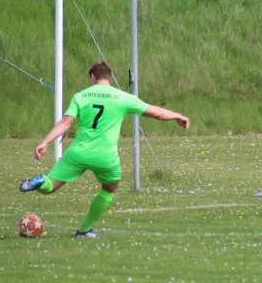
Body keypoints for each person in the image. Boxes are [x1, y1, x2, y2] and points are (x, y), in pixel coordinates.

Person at [20, 60, 189, 238]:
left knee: (51, 186)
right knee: (109, 189)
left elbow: (65, 123)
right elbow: (157, 113)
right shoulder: (122, 97)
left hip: (78, 152)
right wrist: (177, 115)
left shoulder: (81, 96)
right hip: (105, 156)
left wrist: (45, 142)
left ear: (92, 77)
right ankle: (84, 230)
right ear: (109, 77)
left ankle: (40, 181)